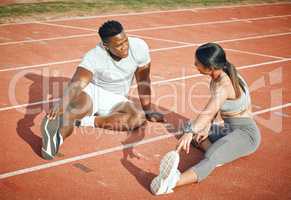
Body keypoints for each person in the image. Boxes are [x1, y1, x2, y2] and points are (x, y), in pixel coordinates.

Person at [41, 20, 165, 160]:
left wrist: (148, 111)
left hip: (116, 98)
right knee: (77, 109)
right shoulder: (94, 55)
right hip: (92, 92)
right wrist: (63, 103)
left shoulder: (139, 47)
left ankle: (85, 121)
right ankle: (56, 139)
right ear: (106, 45)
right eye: (118, 45)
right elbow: (79, 81)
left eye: (125, 41)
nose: (124, 47)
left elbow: (143, 81)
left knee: (138, 117)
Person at [150, 43, 261, 195]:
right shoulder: (220, 74)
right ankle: (220, 151)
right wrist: (206, 127)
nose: (194, 65)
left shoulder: (224, 85)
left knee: (209, 154)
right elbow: (214, 110)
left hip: (246, 135)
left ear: (210, 67)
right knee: (192, 126)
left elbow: (208, 112)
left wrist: (190, 132)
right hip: (228, 130)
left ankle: (173, 182)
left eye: (197, 63)